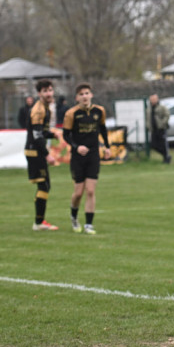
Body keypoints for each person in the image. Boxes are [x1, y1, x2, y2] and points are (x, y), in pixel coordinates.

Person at [63, 83, 111, 235]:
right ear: (77, 97)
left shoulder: (99, 111)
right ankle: (74, 217)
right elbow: (66, 135)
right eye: (81, 94)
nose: (85, 96)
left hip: (93, 155)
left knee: (90, 191)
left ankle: (89, 224)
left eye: (87, 93)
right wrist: (77, 147)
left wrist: (107, 147)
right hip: (78, 157)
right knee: (78, 193)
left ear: (91, 95)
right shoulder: (72, 114)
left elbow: (102, 129)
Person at [24, 82, 58, 231]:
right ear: (39, 94)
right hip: (34, 151)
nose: (49, 93)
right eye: (45, 91)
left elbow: (42, 132)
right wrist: (47, 155)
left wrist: (52, 134)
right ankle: (38, 223)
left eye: (50, 90)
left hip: (35, 150)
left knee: (44, 186)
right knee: (43, 185)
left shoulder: (46, 108)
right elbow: (37, 135)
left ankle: (40, 221)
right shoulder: (38, 110)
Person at [147, 93, 171, 164]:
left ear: (157, 99)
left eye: (154, 99)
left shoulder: (161, 107)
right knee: (154, 145)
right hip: (153, 129)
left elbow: (167, 115)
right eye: (151, 99)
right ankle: (165, 155)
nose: (153, 101)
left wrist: (163, 123)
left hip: (161, 129)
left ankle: (166, 157)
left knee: (163, 144)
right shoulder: (149, 108)